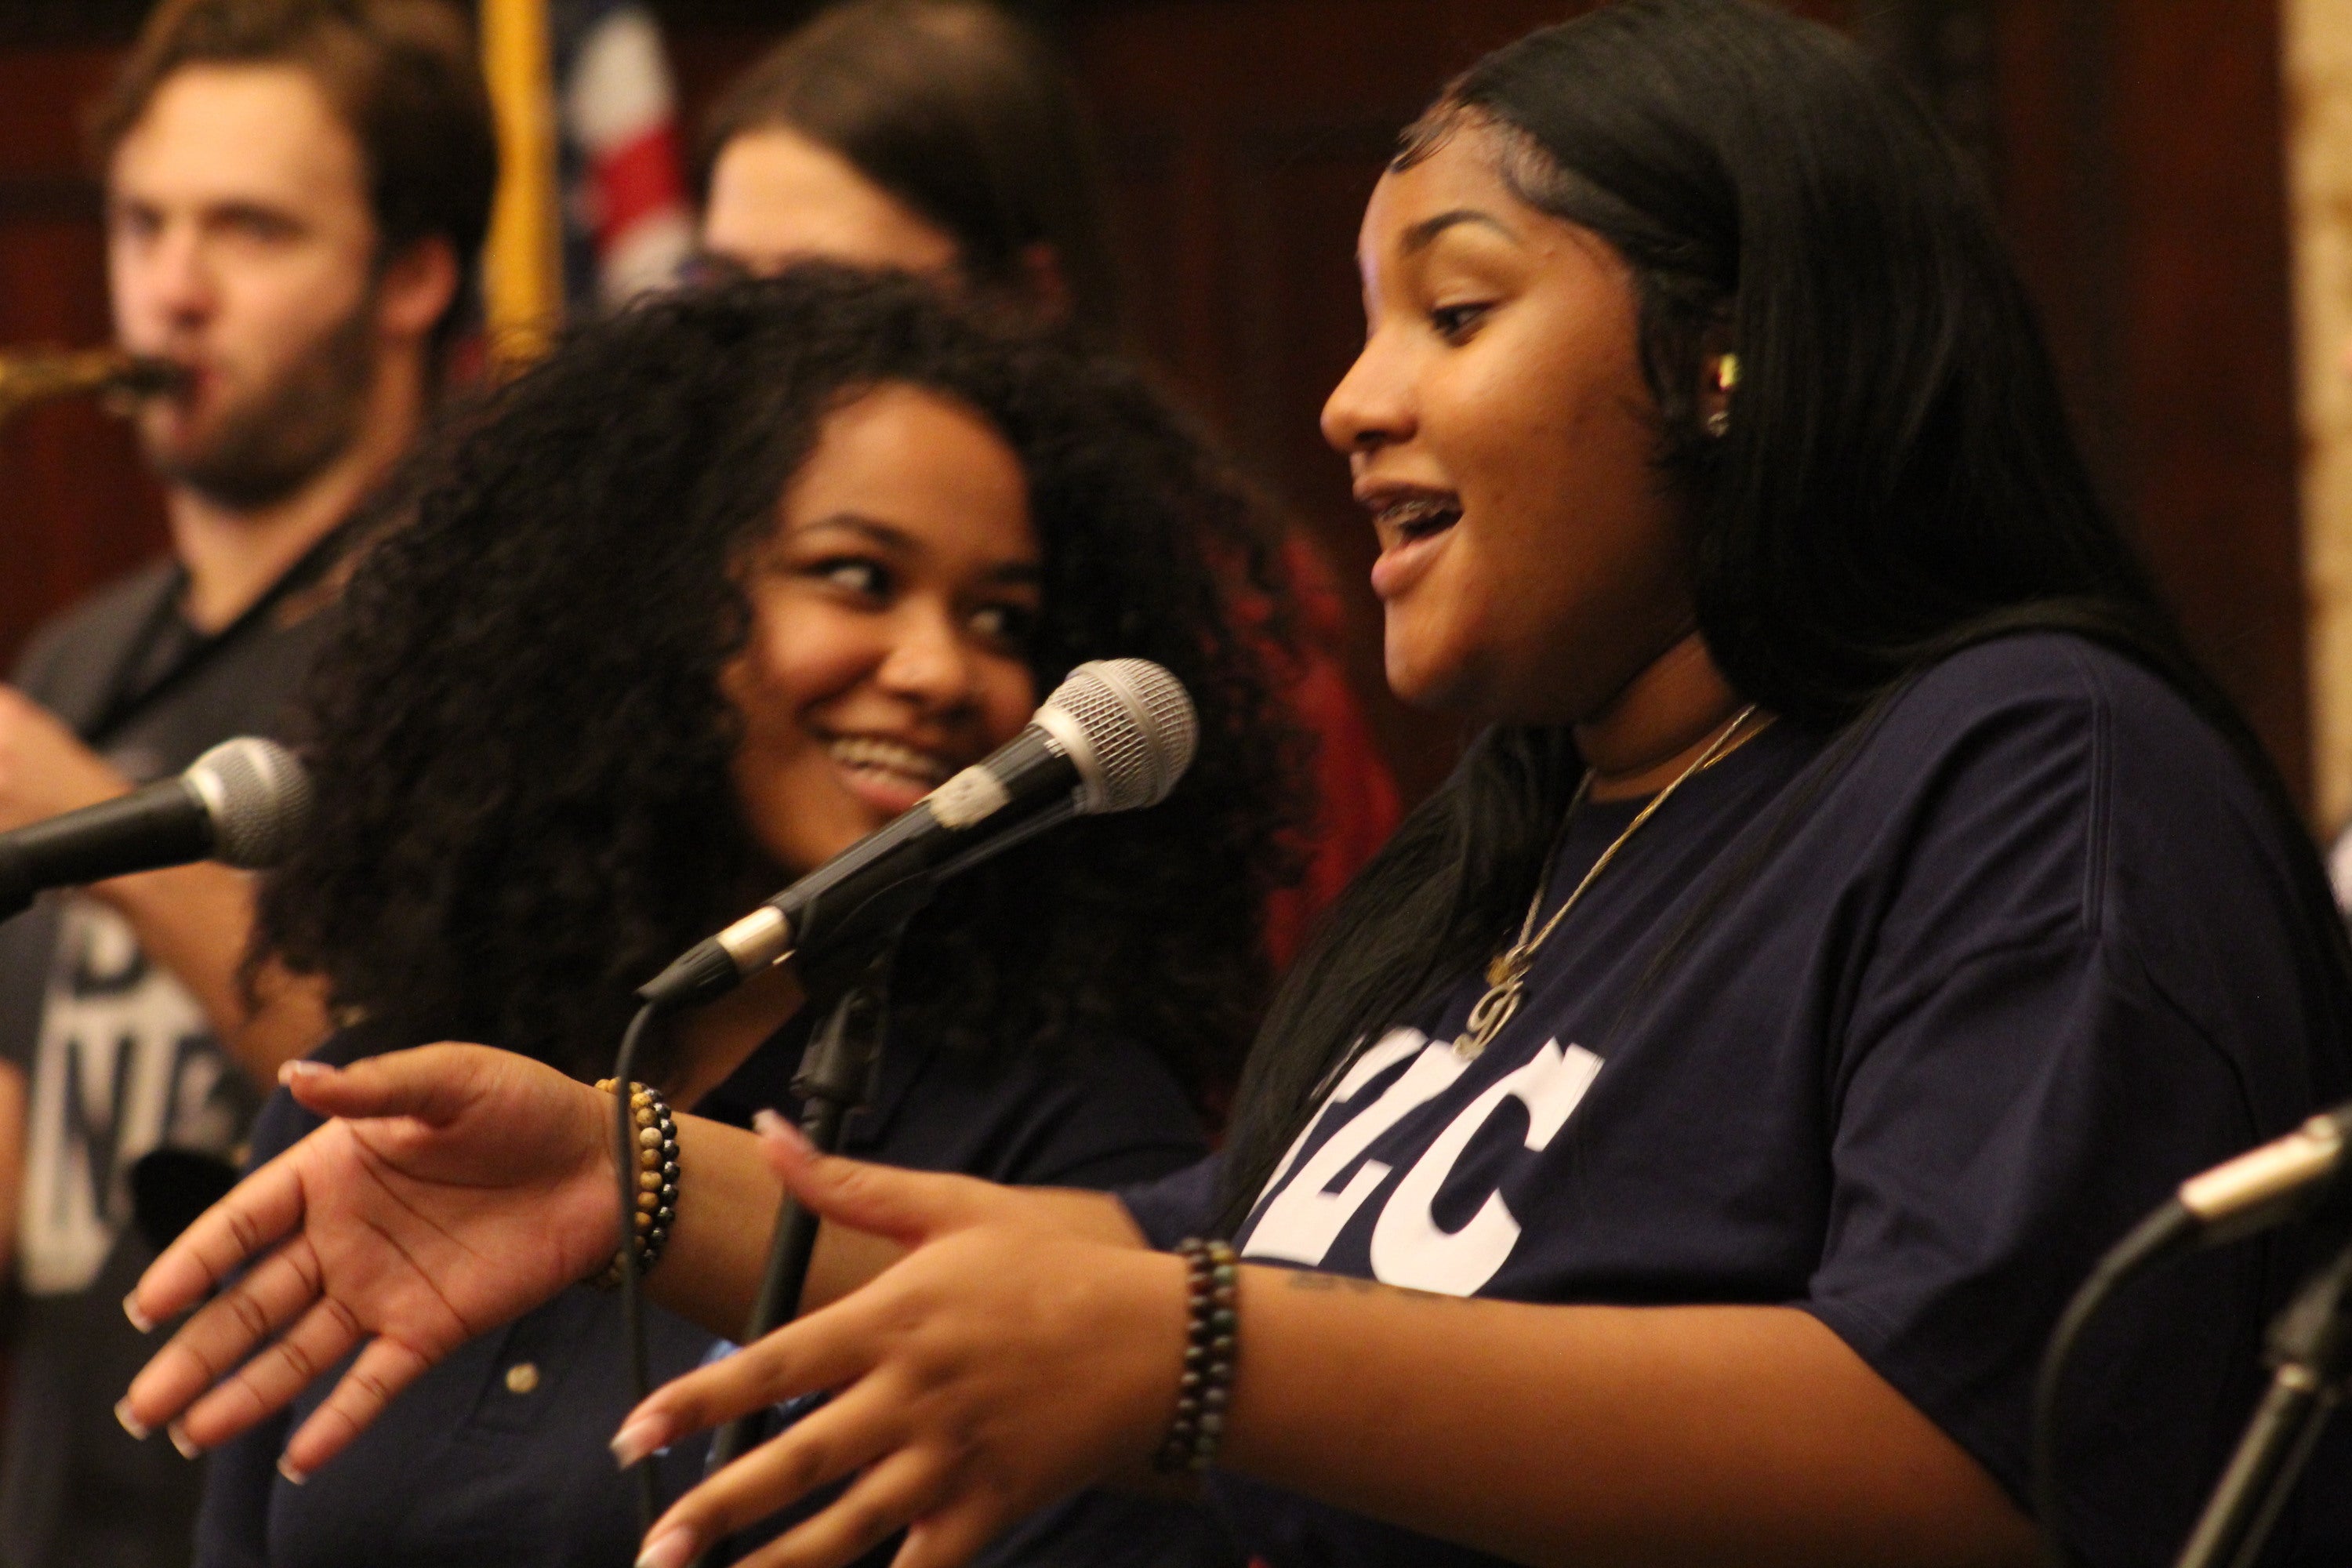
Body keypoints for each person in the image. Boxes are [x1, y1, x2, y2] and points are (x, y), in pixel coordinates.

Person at [114, 2, 2352, 1565]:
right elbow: (1193, 1265)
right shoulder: (1537, 846)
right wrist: (633, 1186)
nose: (1355, 401)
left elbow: (1978, 1441)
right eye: (1367, 325)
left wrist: (1201, 1358)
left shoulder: (2030, 769)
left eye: (1454, 314)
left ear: (1730, 353)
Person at [186, 267, 1301, 1567]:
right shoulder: (389, 1097)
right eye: (858, 578)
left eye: (1000, 618)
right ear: (650, 608)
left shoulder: (1063, 1135)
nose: (942, 670)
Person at [0, 3, 493, 1564]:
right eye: (144, 222)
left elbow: (433, 1084)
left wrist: (56, 792)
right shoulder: (83, 655)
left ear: (411, 278)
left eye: (251, 229)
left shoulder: (469, 647)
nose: (172, 286)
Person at [695, 0, 1402, 963]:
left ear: (1022, 301)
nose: (763, 354)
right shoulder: (673, 549)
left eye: (837, 301)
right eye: (730, 293)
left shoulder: (1222, 641)